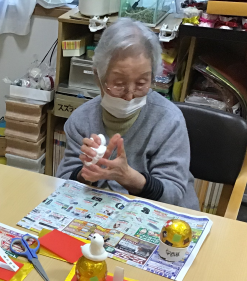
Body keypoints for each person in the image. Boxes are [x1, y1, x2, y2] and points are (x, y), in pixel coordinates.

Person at [56, 18, 198, 210]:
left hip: (162, 216)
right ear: (98, 76)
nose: (129, 95)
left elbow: (173, 195)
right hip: (103, 213)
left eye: (141, 83)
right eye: (119, 84)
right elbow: (64, 181)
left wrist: (129, 177)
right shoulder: (81, 120)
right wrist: (86, 173)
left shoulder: (169, 120)